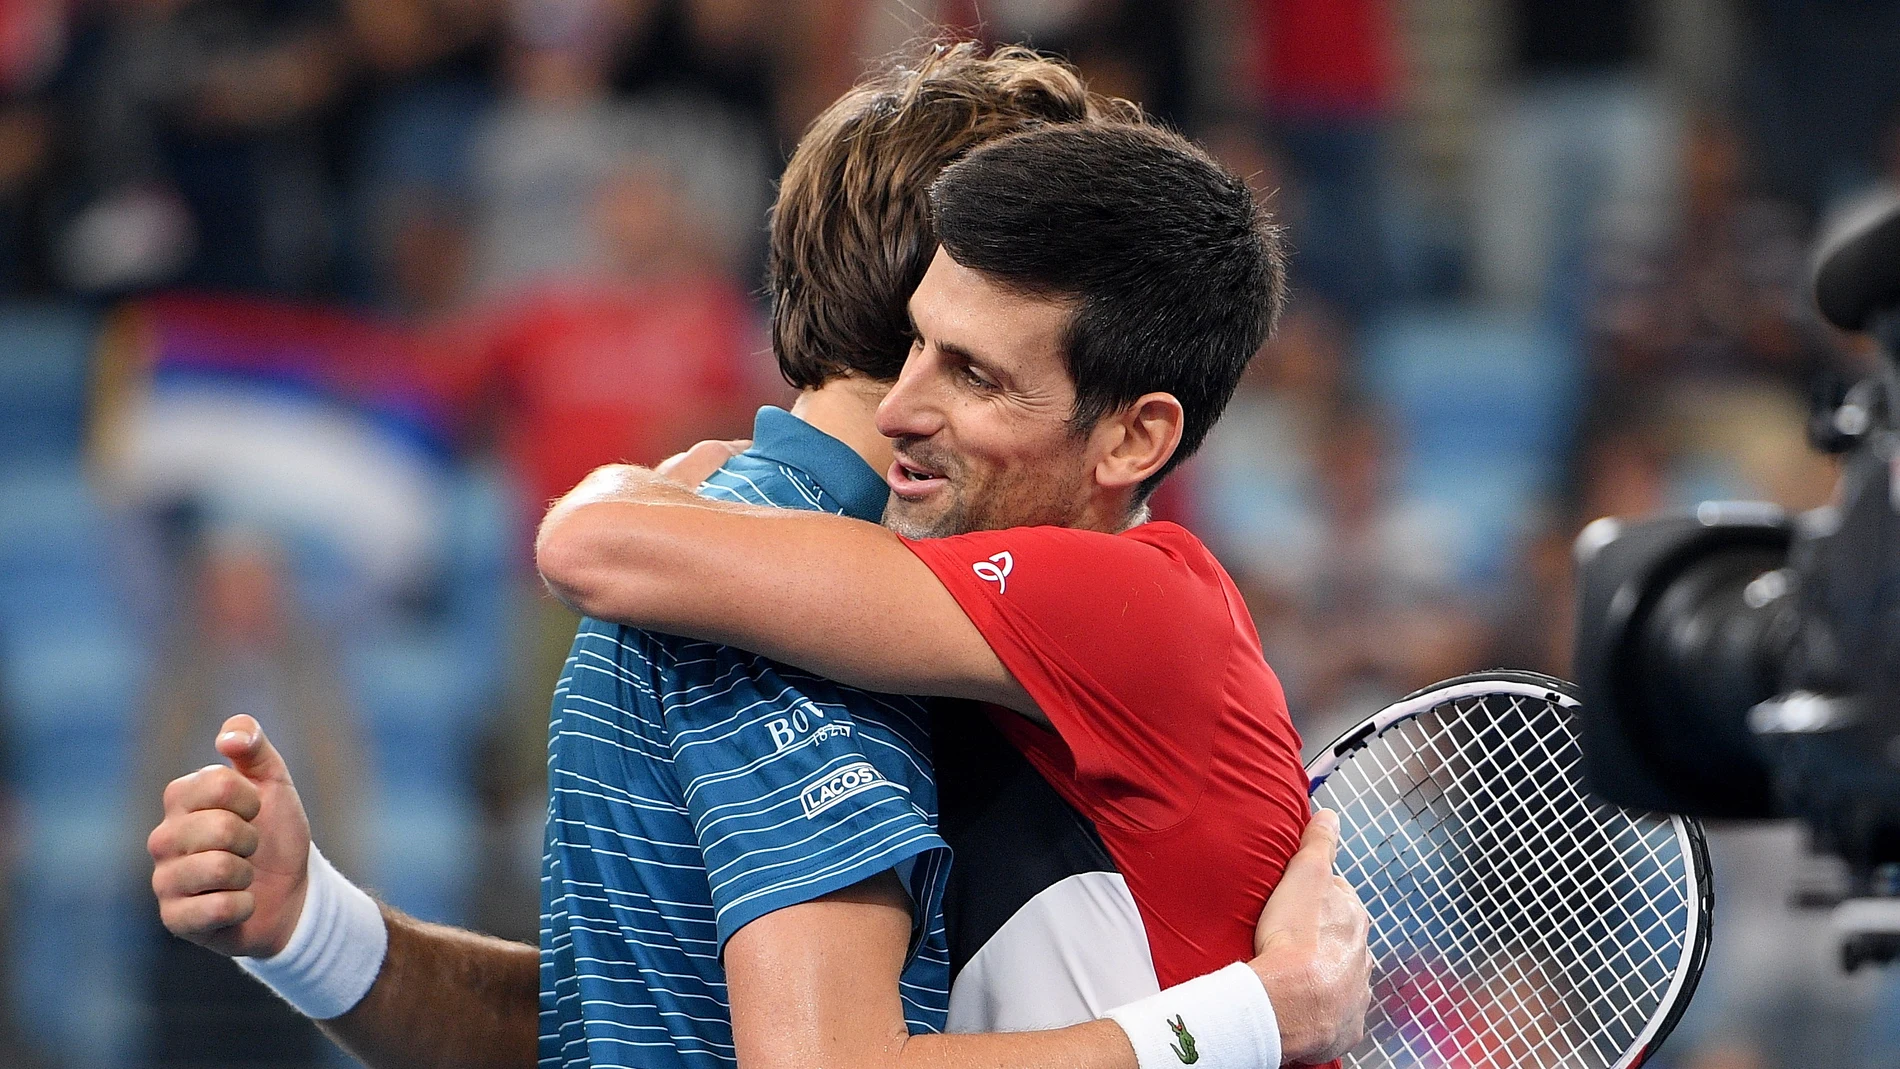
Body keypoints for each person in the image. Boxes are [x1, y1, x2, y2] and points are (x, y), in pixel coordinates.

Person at [148, 43, 1370, 1069]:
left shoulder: (773, 569)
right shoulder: (788, 604)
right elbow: (692, 1035)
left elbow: (657, 1027)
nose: (917, 404)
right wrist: (1246, 1017)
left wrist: (322, 936)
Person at [537, 118, 1351, 1060]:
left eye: (974, 376)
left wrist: (635, 484)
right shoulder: (992, 658)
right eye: (915, 344)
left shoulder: (1136, 604)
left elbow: (592, 545)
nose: (898, 408)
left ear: (1134, 439)